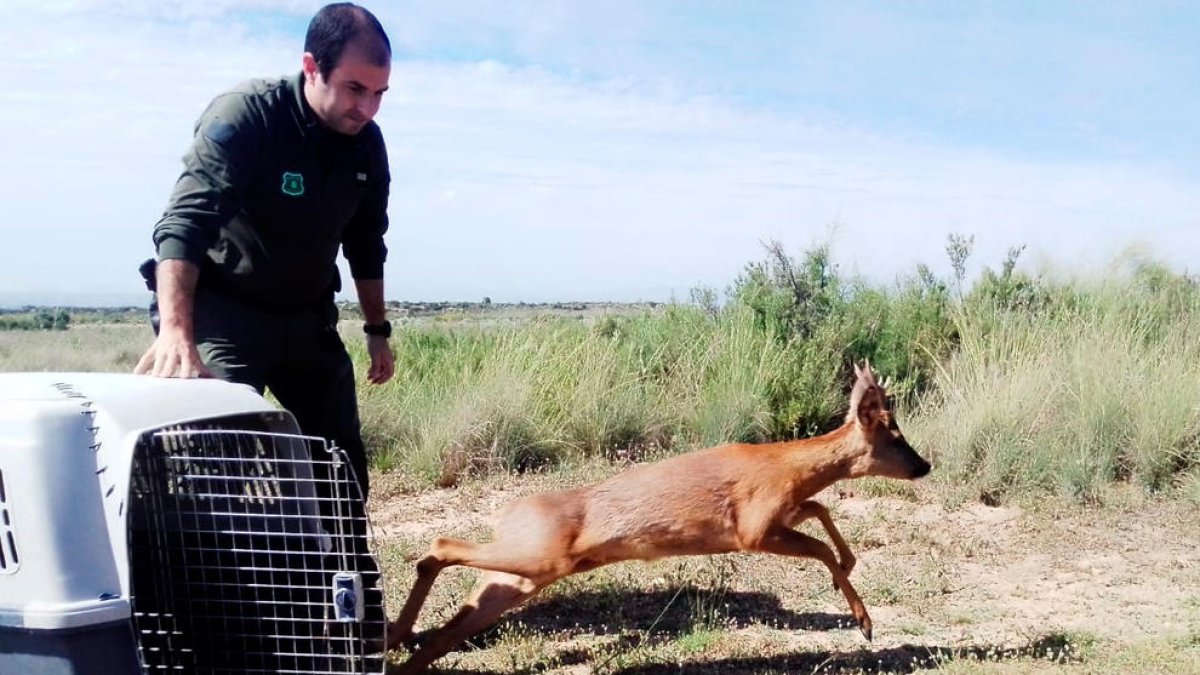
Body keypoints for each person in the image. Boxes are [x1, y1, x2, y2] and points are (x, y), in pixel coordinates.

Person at [134, 2, 395, 501]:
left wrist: (377, 330)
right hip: (225, 312)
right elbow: (184, 225)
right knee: (219, 454)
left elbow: (366, 241)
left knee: (339, 464)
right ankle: (213, 573)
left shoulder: (366, 144)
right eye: (355, 88)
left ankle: (345, 573)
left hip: (304, 315)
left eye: (380, 93)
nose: (367, 108)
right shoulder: (247, 115)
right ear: (312, 67)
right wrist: (175, 333)